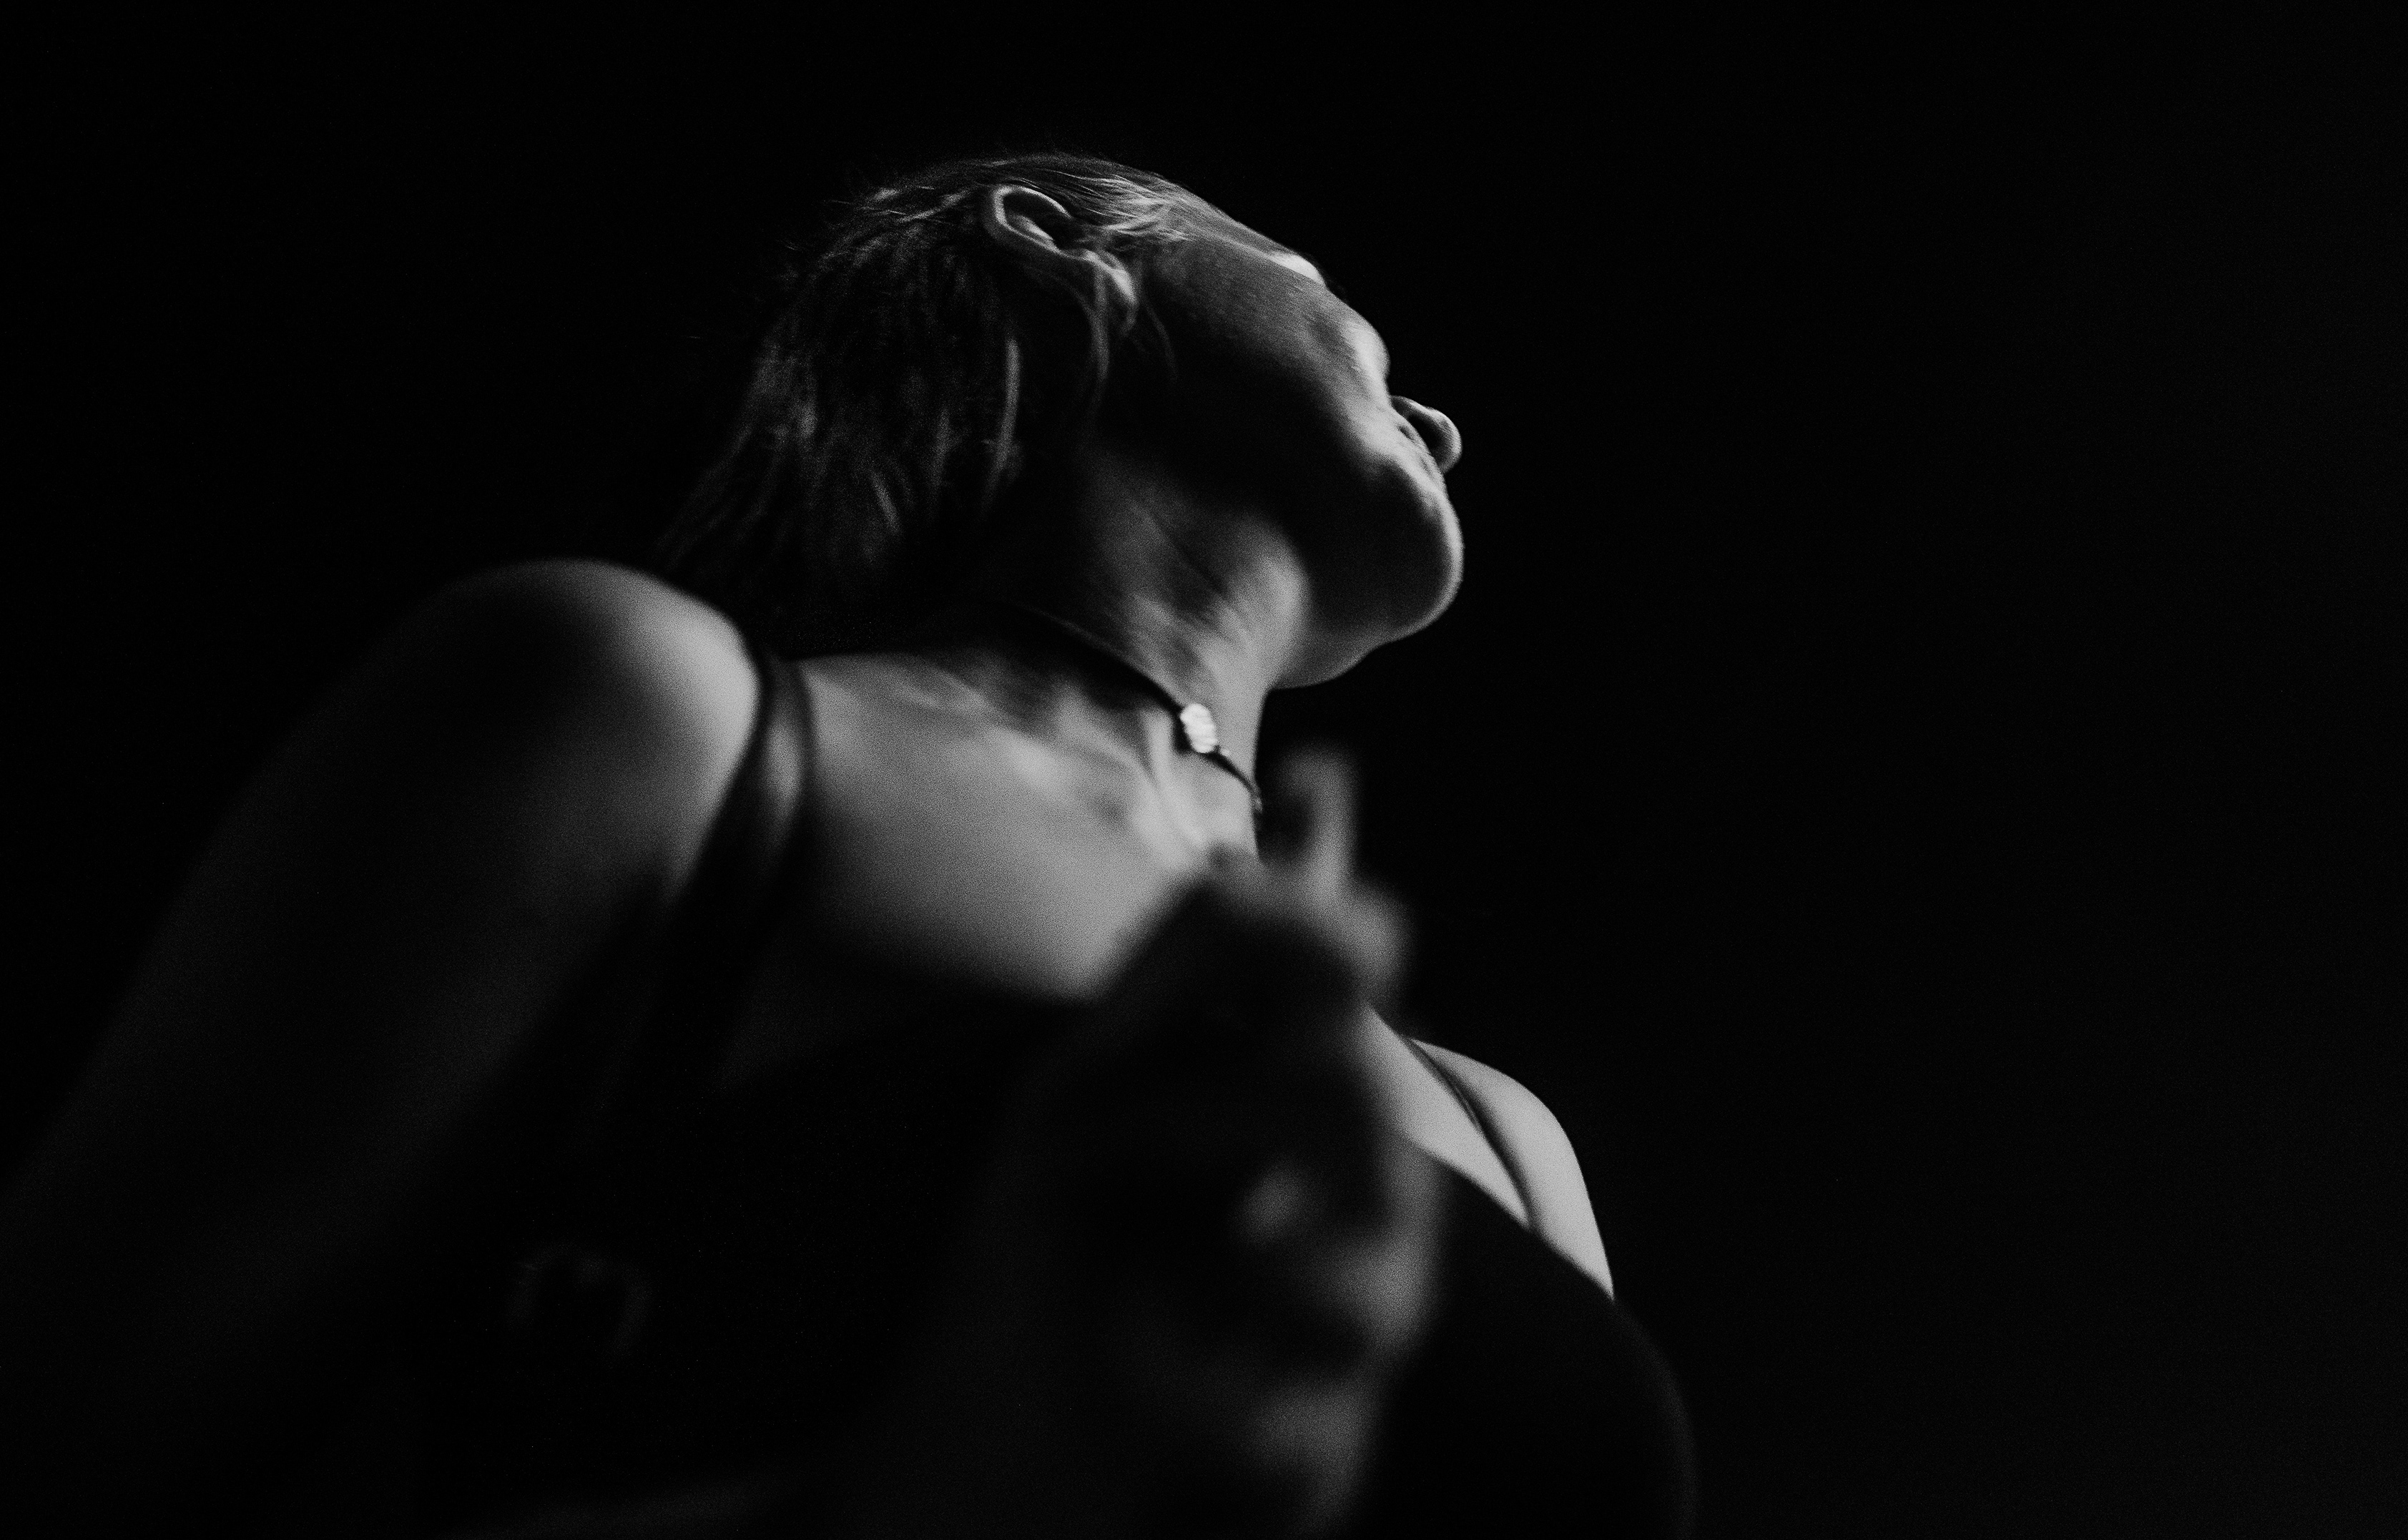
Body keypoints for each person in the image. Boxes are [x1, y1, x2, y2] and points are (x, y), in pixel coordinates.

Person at [0, 155, 1694, 1536]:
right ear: (1052, 241)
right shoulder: (659, 728)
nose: (1444, 423)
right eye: (1329, 293)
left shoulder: (1508, 1135)